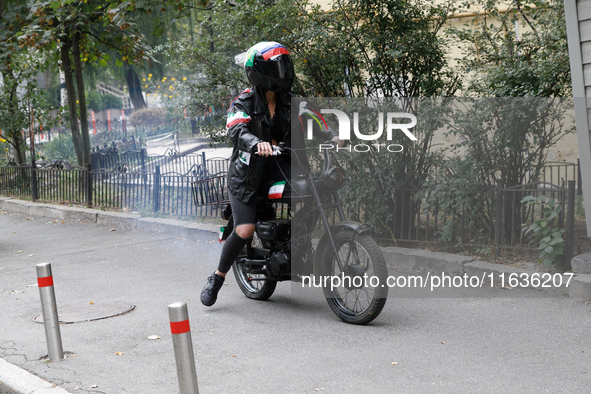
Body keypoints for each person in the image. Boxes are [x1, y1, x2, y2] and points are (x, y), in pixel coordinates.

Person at [200, 41, 339, 306]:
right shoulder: (244, 101)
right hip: (247, 178)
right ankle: (216, 278)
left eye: (285, 66)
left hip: (279, 169)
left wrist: (332, 134)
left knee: (314, 192)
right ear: (260, 72)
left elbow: (315, 118)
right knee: (244, 229)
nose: (283, 72)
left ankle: (293, 244)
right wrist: (255, 143)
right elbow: (236, 128)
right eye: (277, 67)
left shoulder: (290, 101)